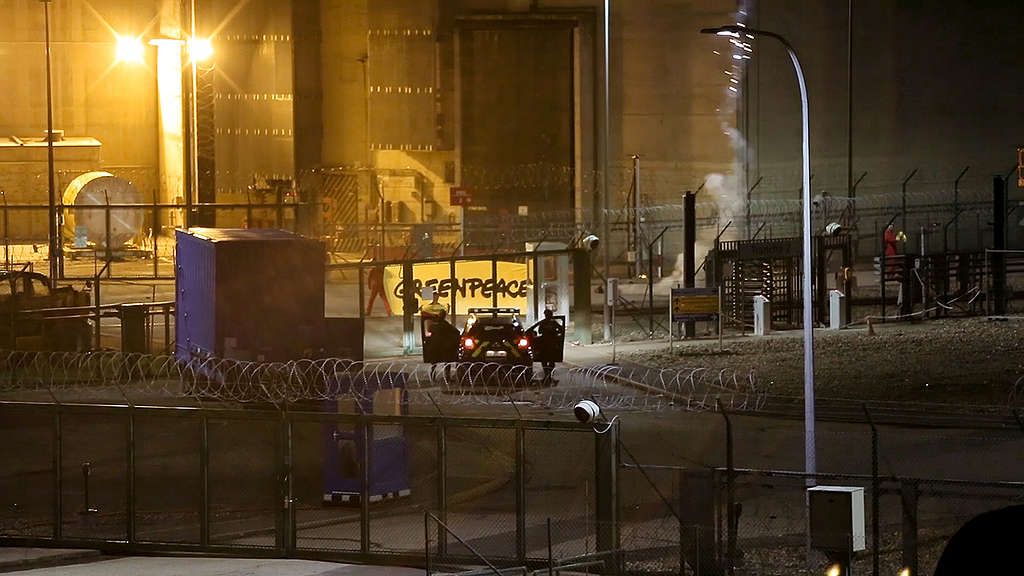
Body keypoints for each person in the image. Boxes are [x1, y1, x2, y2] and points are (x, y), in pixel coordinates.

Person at [535, 308, 564, 385]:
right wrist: (554, 332)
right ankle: (548, 376)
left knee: (545, 361)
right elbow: (561, 330)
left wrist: (549, 331)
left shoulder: (544, 323)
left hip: (546, 344)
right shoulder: (553, 323)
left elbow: (539, 331)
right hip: (550, 344)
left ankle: (547, 376)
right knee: (550, 361)